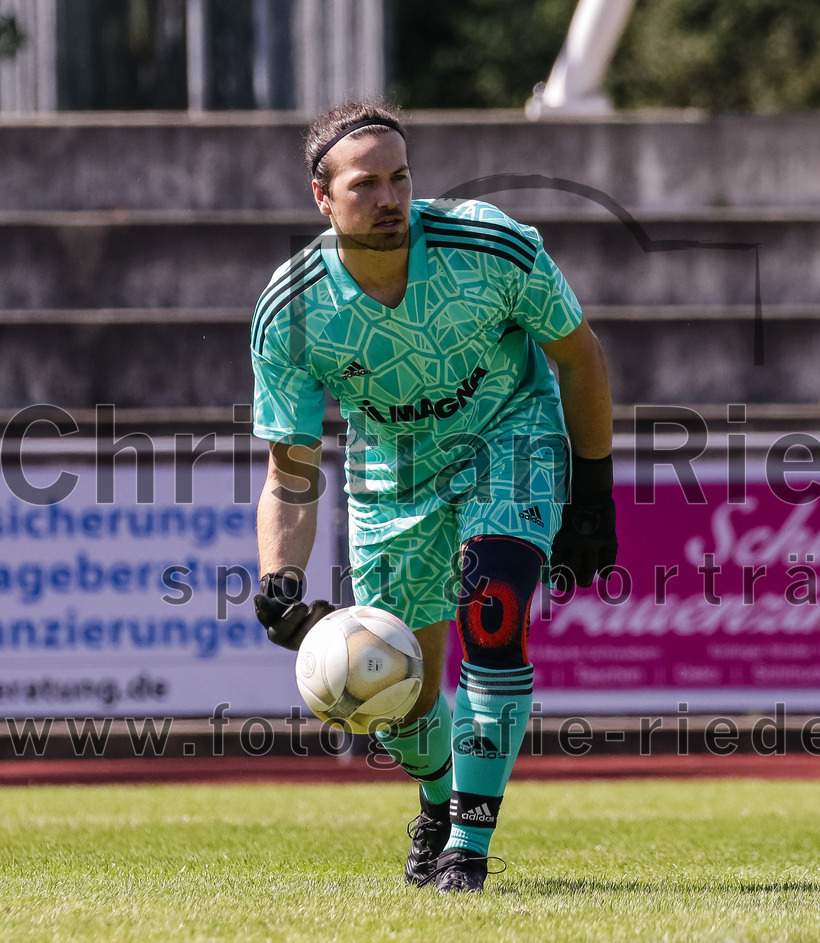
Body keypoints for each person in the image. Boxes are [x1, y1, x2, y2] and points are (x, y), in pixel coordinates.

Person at [250, 99, 617, 893]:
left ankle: (469, 848)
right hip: (391, 478)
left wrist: (594, 493)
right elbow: (292, 469)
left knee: (494, 609)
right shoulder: (292, 310)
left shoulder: (490, 245)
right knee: (402, 687)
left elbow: (580, 357)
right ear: (323, 197)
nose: (389, 198)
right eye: (366, 184)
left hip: (510, 438)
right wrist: (280, 580)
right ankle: (435, 798)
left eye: (400, 177)